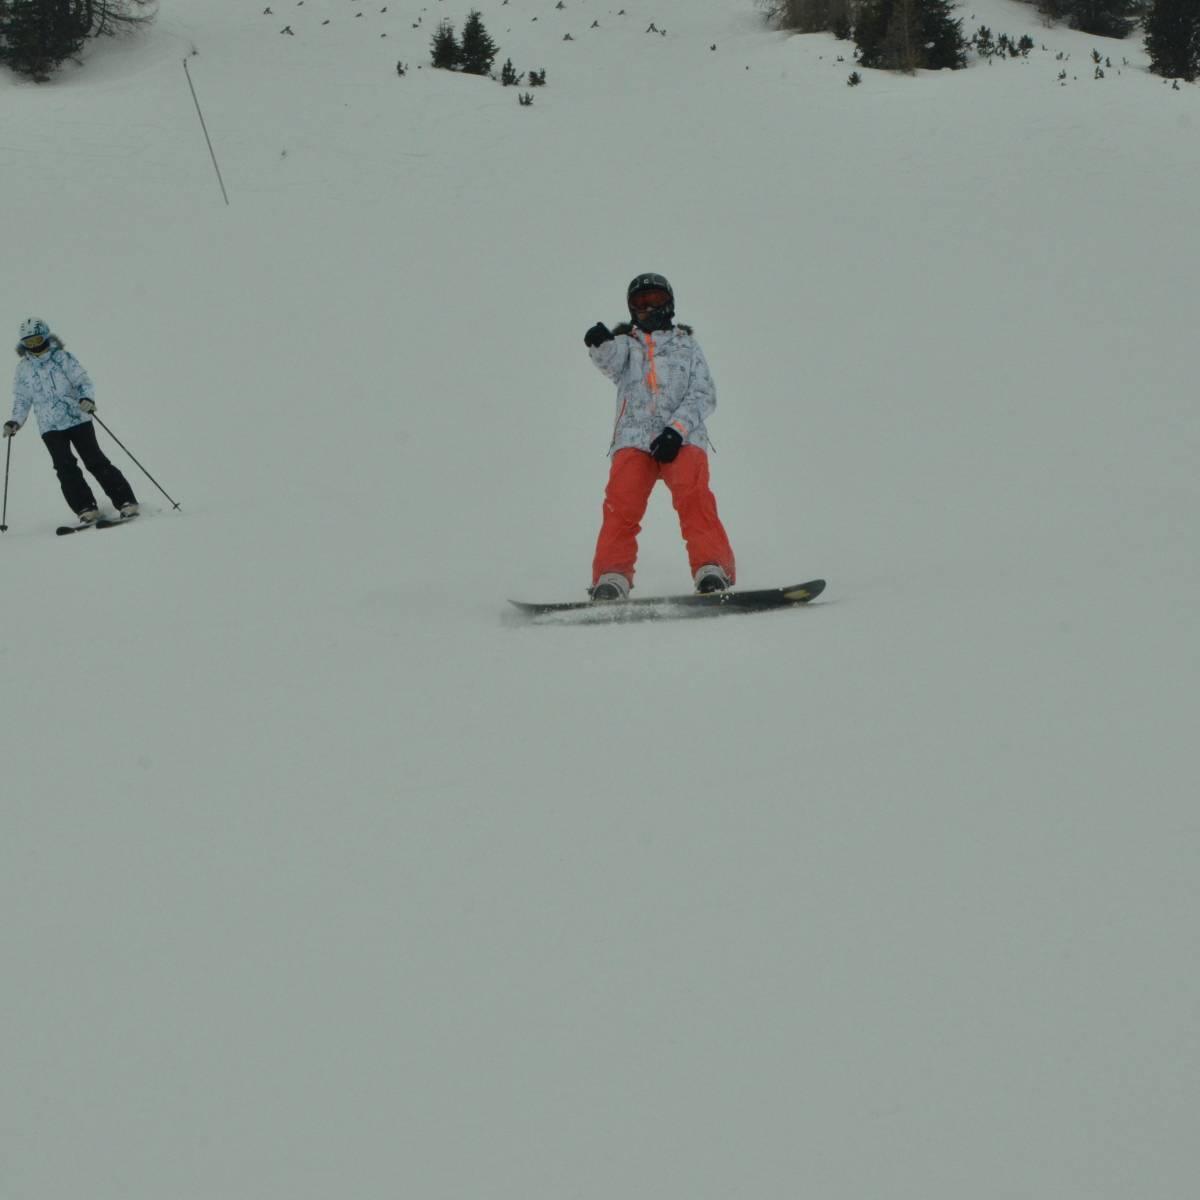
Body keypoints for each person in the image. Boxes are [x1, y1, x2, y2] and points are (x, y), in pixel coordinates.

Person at [583, 273, 735, 600]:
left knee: (694, 498)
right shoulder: (626, 345)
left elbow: (704, 393)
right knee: (621, 504)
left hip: (682, 439)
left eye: (655, 300)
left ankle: (712, 569)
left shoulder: (687, 346)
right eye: (640, 303)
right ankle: (612, 576)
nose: (649, 308)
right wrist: (600, 344)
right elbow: (610, 363)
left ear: (670, 304)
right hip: (634, 438)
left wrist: (676, 431)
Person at [4, 318, 138, 523]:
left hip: (77, 418)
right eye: (28, 342)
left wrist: (87, 398)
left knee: (95, 461)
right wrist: (15, 421)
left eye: (37, 340)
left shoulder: (63, 358)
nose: (34, 346)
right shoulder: (24, 368)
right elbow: (22, 399)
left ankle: (126, 501)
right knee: (65, 468)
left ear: (45, 336)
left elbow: (83, 381)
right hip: (49, 426)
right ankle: (86, 508)